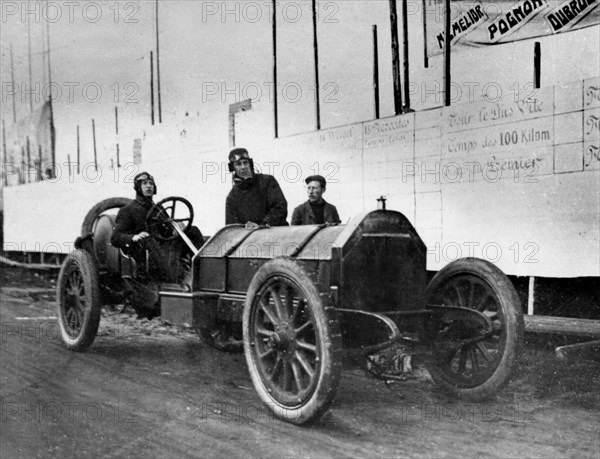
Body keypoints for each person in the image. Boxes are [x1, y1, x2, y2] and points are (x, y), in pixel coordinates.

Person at [111, 171, 203, 284]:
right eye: (144, 183)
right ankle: (177, 282)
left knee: (192, 230)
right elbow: (115, 238)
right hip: (145, 252)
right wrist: (134, 237)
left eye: (151, 183)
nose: (149, 186)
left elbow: (168, 229)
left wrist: (176, 227)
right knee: (150, 241)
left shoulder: (158, 209)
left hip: (164, 247)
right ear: (138, 187)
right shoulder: (127, 210)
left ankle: (203, 268)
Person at [225, 148, 288, 227]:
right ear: (232, 168)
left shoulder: (267, 181)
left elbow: (280, 208)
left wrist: (263, 225)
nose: (243, 167)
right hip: (250, 236)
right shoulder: (232, 197)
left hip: (274, 232)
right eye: (238, 164)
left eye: (245, 163)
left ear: (250, 164)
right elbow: (232, 226)